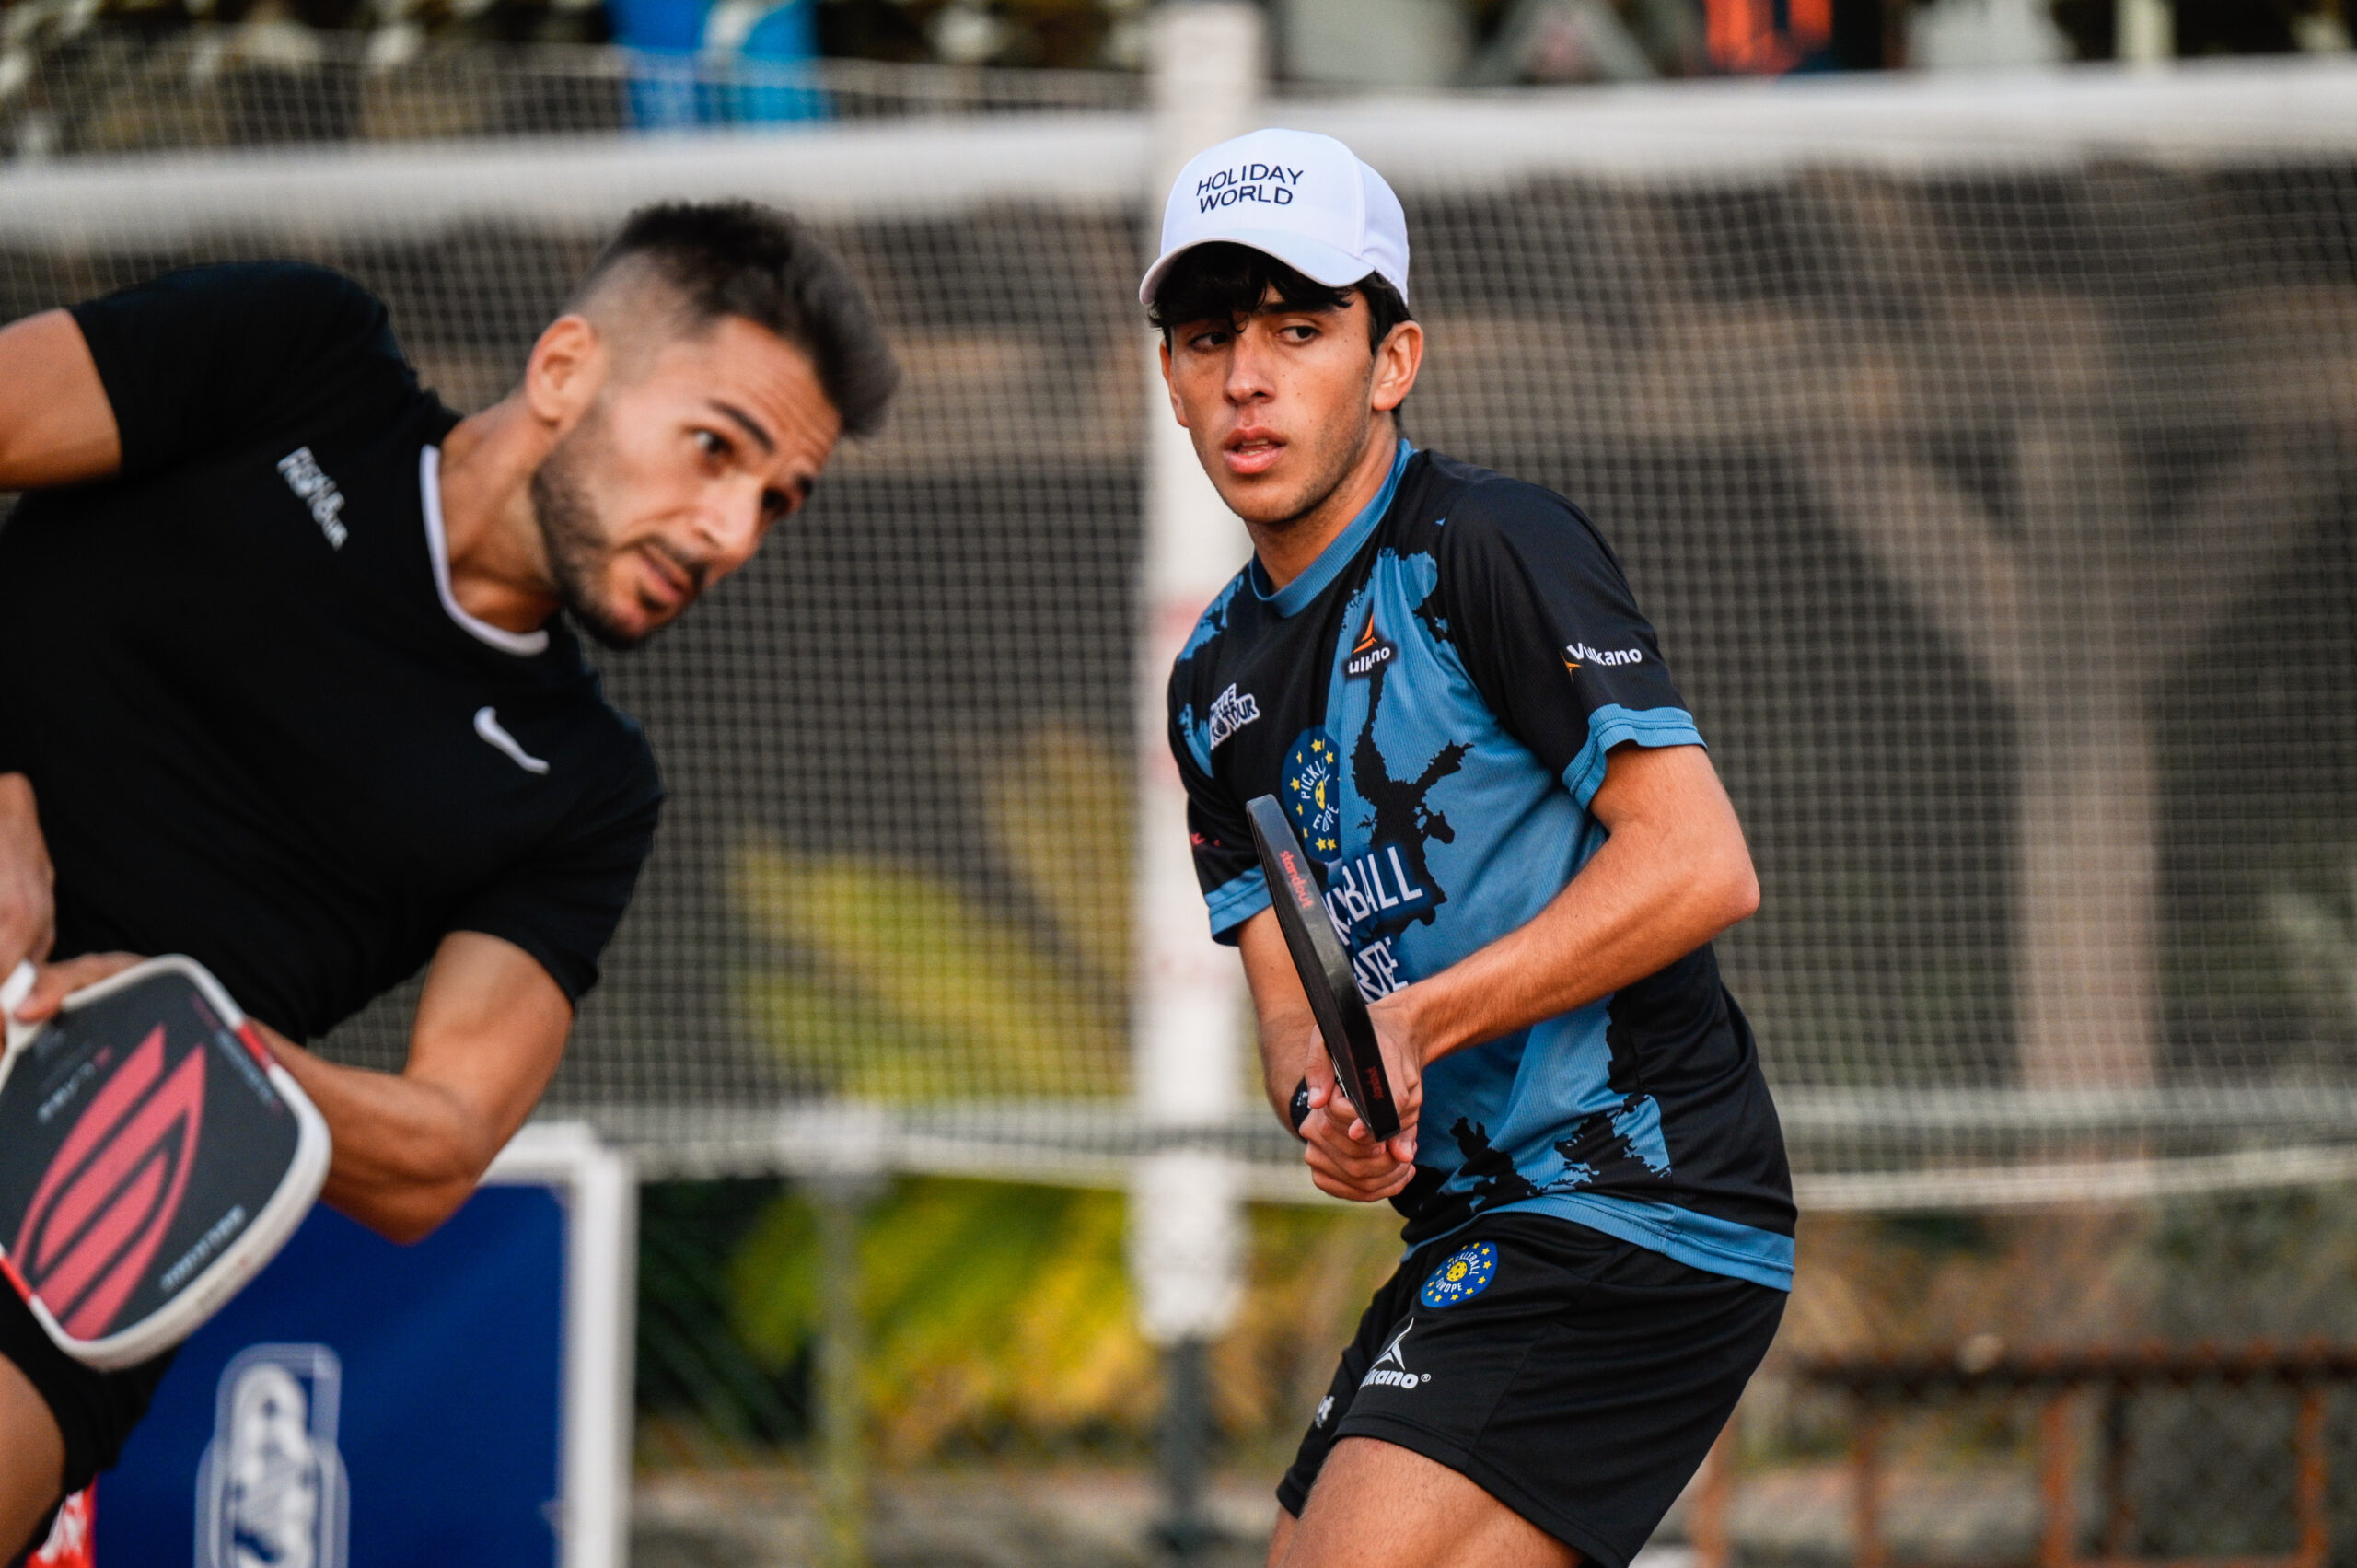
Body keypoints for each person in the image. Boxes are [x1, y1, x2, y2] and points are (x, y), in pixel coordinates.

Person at [0, 200, 897, 1560]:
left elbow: (438, 1148)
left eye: (775, 502)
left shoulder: (585, 787)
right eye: (715, 450)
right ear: (565, 369)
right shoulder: (296, 359)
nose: (729, 531)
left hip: (84, 1204)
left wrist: (192, 1045)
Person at [1148, 129, 1794, 1568]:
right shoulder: (1209, 686)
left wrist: (1419, 1021)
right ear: (1172, 379)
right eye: (1207, 338)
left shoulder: (1483, 544)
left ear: (1392, 361)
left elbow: (1700, 865)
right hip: (1467, 1233)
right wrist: (1328, 1106)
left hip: (1635, 1202)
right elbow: (1289, 1015)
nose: (1247, 376)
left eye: (1298, 329)